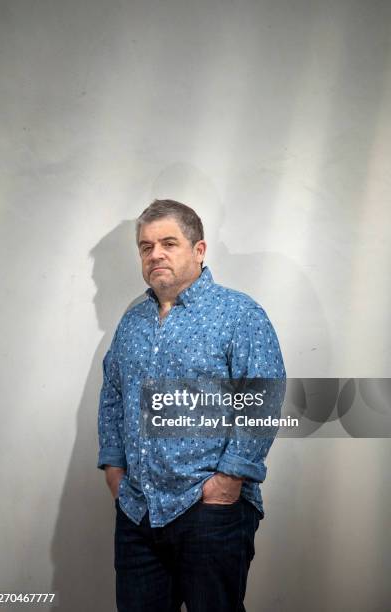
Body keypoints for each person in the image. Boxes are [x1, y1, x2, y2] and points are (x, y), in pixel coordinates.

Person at [97, 199, 285, 612]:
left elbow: (263, 396)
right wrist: (114, 466)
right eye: (146, 247)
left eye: (169, 243)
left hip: (208, 510)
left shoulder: (239, 313)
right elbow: (113, 393)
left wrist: (229, 479)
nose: (155, 254)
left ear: (199, 251)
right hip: (137, 511)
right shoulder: (133, 321)